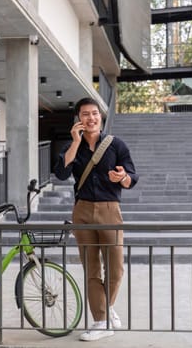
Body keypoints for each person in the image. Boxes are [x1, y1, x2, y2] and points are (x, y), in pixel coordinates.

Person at [54, 97, 138, 341]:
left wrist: (122, 177)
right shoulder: (73, 145)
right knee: (91, 267)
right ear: (78, 119)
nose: (90, 118)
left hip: (110, 208)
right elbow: (61, 173)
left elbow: (133, 176)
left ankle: (107, 306)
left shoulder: (115, 145)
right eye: (85, 114)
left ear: (100, 117)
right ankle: (101, 321)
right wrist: (75, 142)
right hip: (82, 210)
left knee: (116, 267)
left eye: (94, 114)